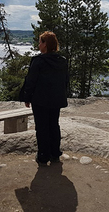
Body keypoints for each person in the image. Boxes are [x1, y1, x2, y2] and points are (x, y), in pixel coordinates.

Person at [19, 31, 69, 166]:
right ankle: (55, 153)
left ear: (46, 44)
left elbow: (31, 81)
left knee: (42, 128)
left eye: (40, 42)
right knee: (53, 125)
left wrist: (27, 97)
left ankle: (43, 156)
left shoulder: (38, 61)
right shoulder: (62, 61)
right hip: (56, 100)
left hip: (40, 100)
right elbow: (65, 81)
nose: (39, 44)